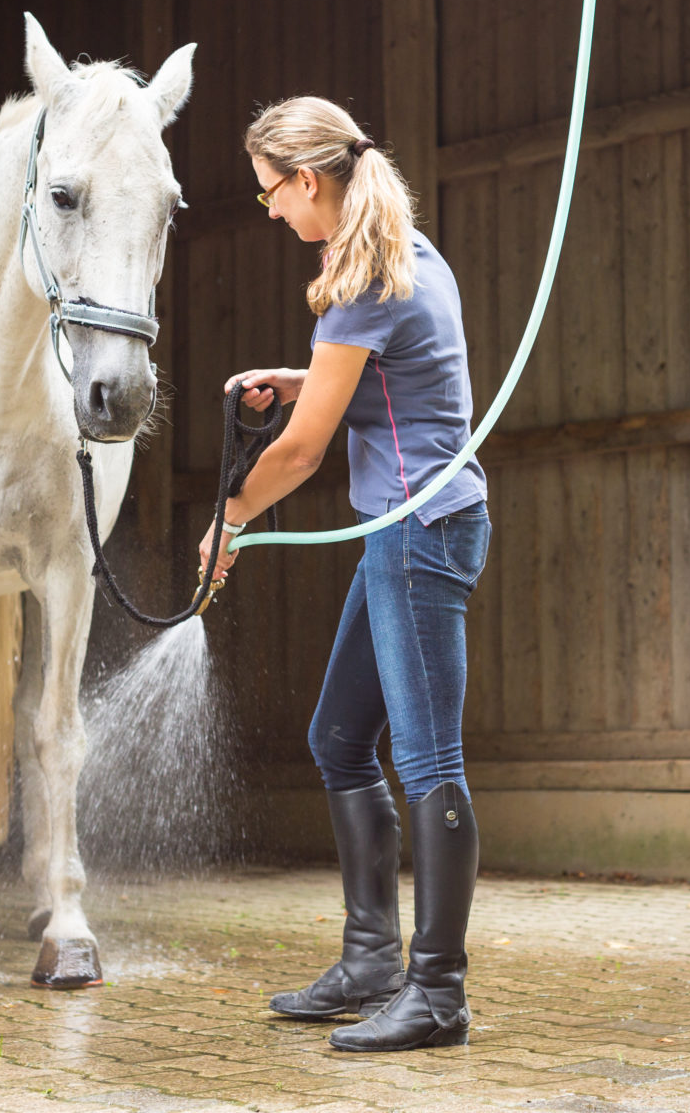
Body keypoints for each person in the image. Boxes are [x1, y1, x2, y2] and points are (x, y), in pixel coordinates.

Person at [199, 96, 490, 1052]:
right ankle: (372, 959)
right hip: (401, 537)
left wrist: (228, 521)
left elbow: (303, 450)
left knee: (429, 763)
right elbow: (378, 374)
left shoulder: (364, 278)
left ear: (308, 179)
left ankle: (437, 993)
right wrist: (299, 374)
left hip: (420, 534)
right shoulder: (401, 252)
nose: (270, 211)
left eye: (270, 193)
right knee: (337, 737)